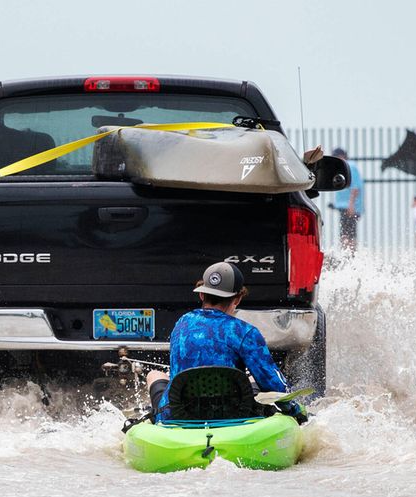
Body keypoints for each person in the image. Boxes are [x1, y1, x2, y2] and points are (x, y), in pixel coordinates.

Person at [145, 262, 306, 423]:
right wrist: (295, 412)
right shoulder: (244, 331)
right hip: (232, 414)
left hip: (178, 414)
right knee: (252, 379)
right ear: (237, 299)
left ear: (202, 295)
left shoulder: (182, 323)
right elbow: (273, 384)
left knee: (155, 375)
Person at [330, 148, 364, 252]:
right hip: (345, 206)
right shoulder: (345, 166)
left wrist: (351, 205)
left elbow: (355, 188)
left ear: (341, 156)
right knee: (346, 234)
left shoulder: (349, 166)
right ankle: (347, 255)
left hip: (349, 207)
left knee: (348, 235)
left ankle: (350, 257)